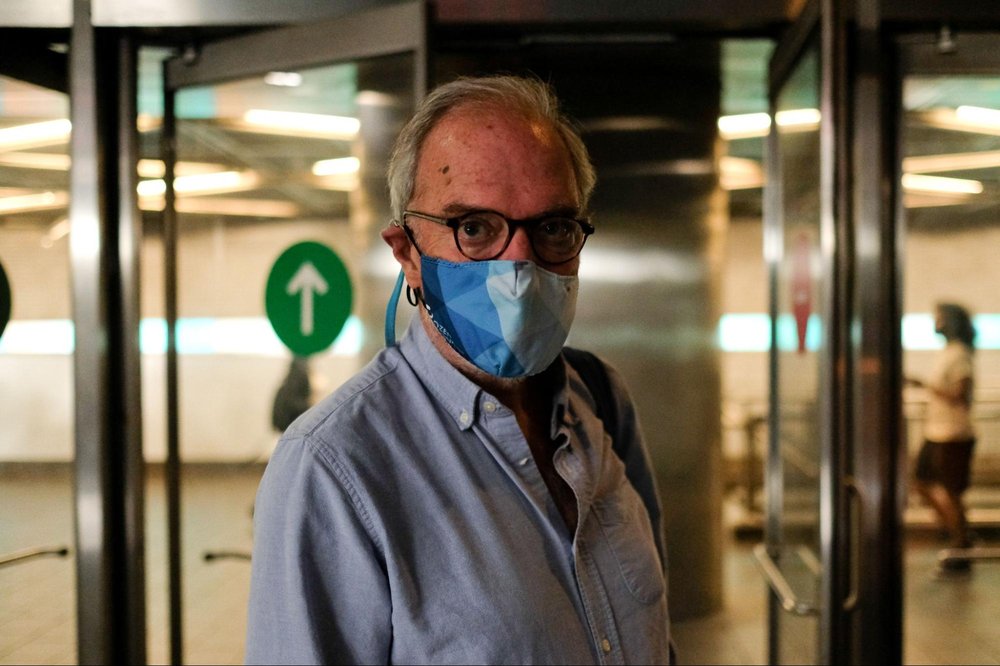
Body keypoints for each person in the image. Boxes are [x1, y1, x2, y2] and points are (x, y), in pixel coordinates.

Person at [245, 75, 671, 664]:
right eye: (474, 227)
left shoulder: (600, 398)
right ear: (408, 255)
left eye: (552, 227)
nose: (519, 263)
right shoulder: (334, 468)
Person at [909, 302, 977, 570]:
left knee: (951, 491)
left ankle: (961, 543)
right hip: (936, 430)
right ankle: (956, 533)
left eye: (938, 318)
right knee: (921, 483)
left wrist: (926, 386)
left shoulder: (959, 355)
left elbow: (962, 394)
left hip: (953, 433)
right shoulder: (947, 352)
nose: (935, 323)